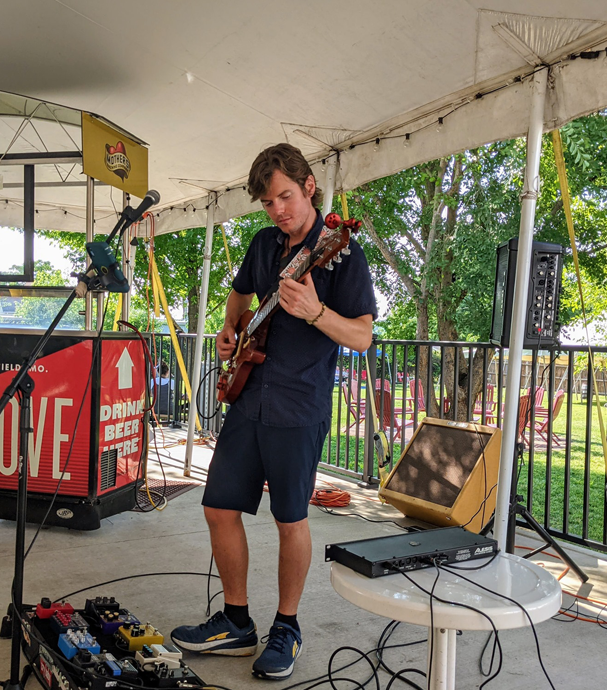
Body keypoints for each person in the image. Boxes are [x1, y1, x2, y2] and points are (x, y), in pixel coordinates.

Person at [170, 143, 376, 680]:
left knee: (291, 520)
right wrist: (229, 329)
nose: (278, 209)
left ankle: (287, 626)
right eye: (267, 202)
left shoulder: (342, 251)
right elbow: (239, 299)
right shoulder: (263, 245)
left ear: (310, 186)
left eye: (285, 195)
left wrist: (316, 311)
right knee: (218, 506)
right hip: (248, 393)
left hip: (298, 403)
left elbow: (362, 336)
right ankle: (236, 622)